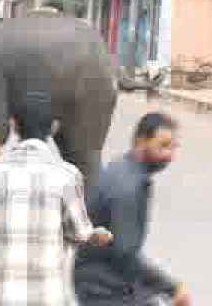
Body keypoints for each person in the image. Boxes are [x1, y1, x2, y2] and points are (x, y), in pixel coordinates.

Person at [0, 92, 114, 306]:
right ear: (53, 128)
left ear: (13, 126)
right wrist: (96, 235)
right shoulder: (67, 175)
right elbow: (80, 233)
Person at [74, 112, 192, 306]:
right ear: (141, 141)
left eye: (173, 147)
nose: (170, 155)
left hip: (101, 280)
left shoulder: (123, 167)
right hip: (103, 288)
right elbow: (125, 254)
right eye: (163, 146)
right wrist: (172, 288)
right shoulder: (127, 188)